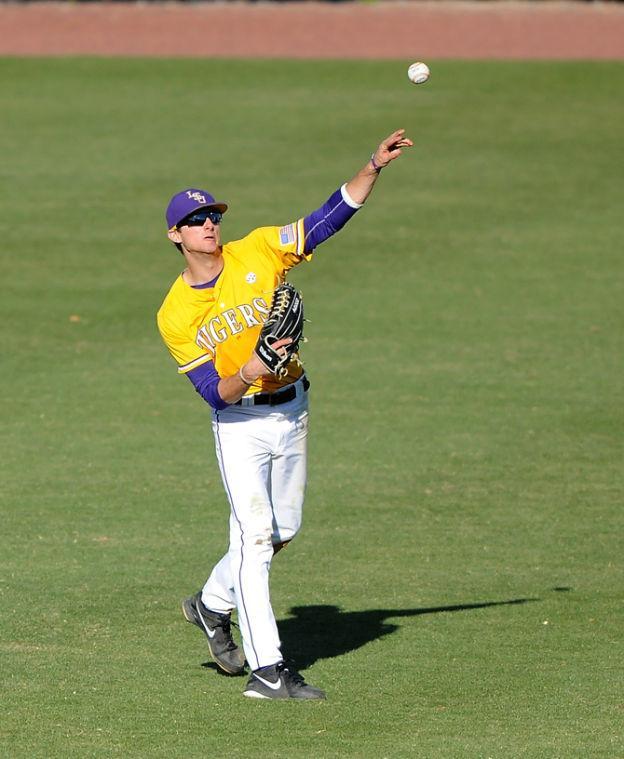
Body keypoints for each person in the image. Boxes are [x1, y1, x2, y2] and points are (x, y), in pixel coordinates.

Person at [157, 129, 413, 700]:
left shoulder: (259, 249)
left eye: (212, 216)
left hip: (293, 408)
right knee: (252, 540)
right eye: (196, 221)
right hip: (240, 426)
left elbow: (326, 219)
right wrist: (250, 369)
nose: (209, 226)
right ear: (176, 235)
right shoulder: (175, 313)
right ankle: (267, 670)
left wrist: (372, 166)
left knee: (283, 530)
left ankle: (210, 604)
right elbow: (211, 392)